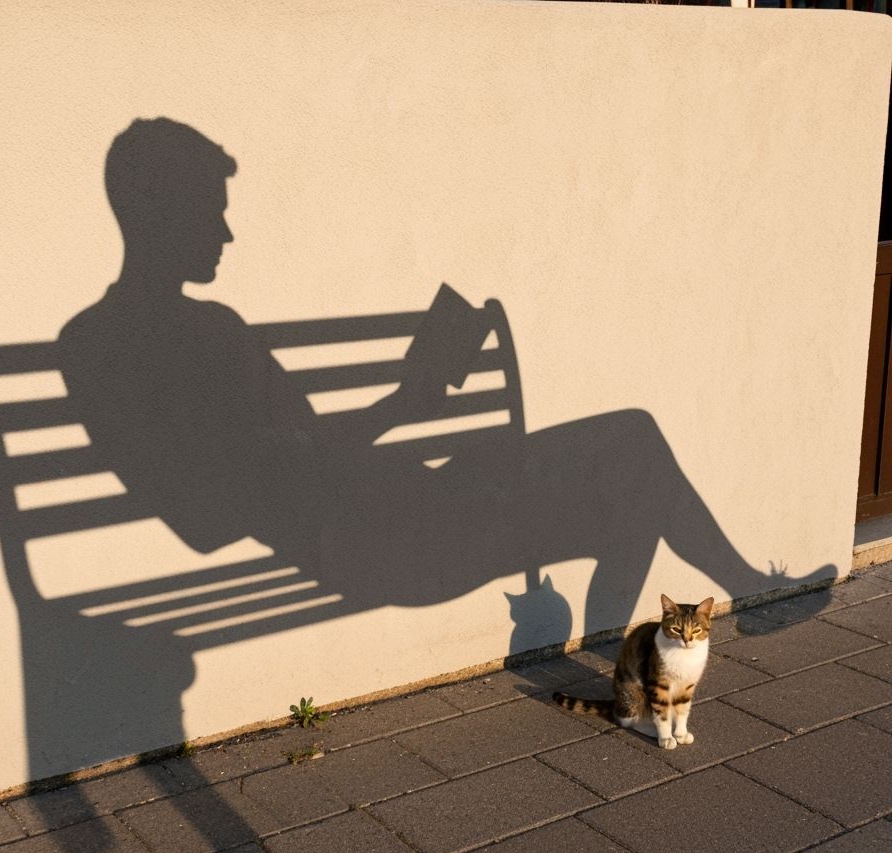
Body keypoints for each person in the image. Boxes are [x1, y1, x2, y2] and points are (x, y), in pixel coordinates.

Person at [60, 117, 830, 634]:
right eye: (209, 211)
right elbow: (203, 521)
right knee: (629, 465)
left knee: (630, 453)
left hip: (414, 499)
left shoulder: (217, 326)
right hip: (382, 542)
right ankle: (737, 598)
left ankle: (647, 641)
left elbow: (309, 438)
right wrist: (297, 453)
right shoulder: (103, 345)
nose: (225, 231)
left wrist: (404, 400)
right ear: (155, 211)